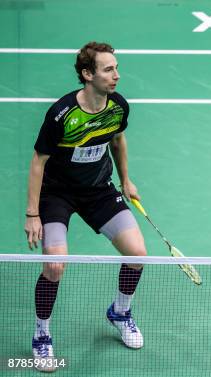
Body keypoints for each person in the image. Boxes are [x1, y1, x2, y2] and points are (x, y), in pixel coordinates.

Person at [24, 41, 147, 372]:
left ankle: (120, 312)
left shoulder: (118, 107)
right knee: (54, 266)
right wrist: (32, 213)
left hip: (99, 190)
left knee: (137, 255)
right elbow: (39, 161)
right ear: (87, 74)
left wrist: (126, 180)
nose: (117, 75)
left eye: (116, 68)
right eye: (109, 69)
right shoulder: (62, 114)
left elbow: (118, 140)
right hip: (57, 194)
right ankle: (41, 335)